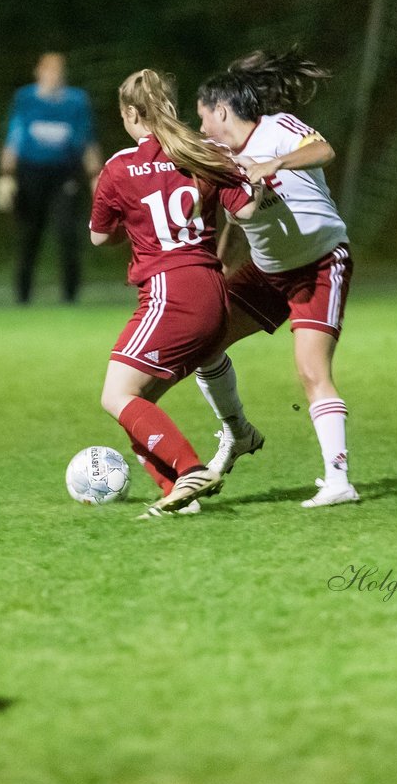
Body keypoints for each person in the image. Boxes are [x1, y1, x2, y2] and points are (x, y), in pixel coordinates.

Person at [191, 44, 360, 508]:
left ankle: (339, 480)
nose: (201, 127)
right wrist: (221, 258)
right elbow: (234, 212)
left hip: (320, 264)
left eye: (203, 116)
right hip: (266, 272)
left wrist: (275, 163)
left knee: (311, 371)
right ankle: (237, 433)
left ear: (222, 111)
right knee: (204, 341)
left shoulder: (278, 129)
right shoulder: (219, 153)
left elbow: (323, 149)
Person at [90, 69, 259, 518]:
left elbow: (99, 237)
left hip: (172, 293)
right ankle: (177, 496)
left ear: (130, 113)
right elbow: (247, 211)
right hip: (213, 291)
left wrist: (136, 224)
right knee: (139, 407)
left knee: (116, 397)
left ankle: (190, 470)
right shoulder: (203, 153)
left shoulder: (119, 167)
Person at [0, 52, 102, 304]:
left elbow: (88, 140)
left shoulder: (77, 101)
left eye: (58, 71)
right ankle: (22, 297)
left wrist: (97, 176)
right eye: (49, 71)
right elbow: (14, 136)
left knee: (67, 232)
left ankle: (70, 297)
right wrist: (6, 174)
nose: (54, 76)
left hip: (65, 173)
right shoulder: (25, 99)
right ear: (39, 72)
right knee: (29, 233)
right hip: (31, 172)